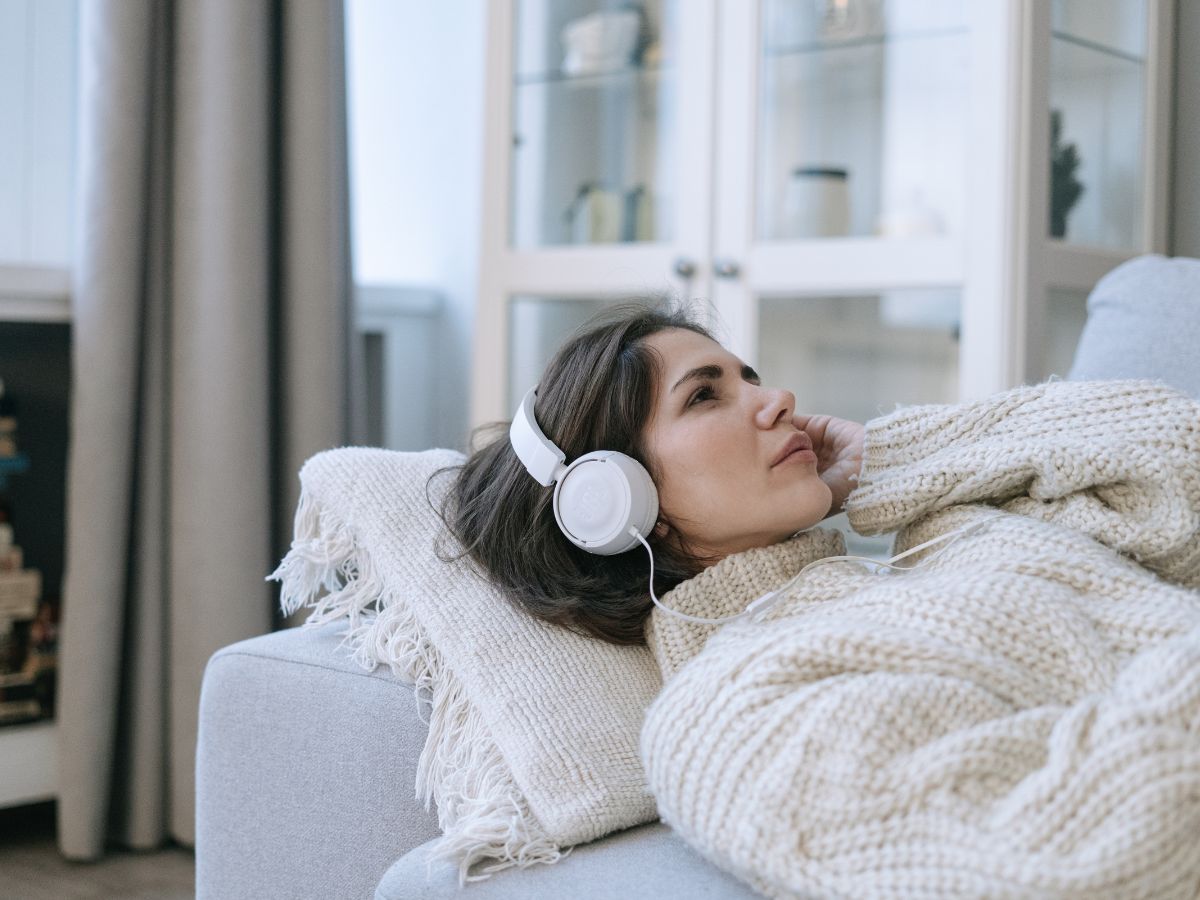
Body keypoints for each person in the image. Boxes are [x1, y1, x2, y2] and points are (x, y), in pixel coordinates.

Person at [445, 302, 866, 645]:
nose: (781, 399)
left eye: (752, 382)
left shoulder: (839, 605)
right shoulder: (747, 680)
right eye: (703, 396)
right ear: (623, 497)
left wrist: (874, 464)